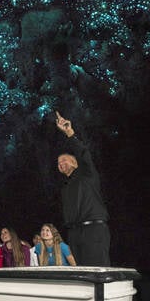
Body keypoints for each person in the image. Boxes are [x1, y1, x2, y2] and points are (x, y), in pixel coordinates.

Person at [54, 111, 111, 266]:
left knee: (96, 270)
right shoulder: (65, 187)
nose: (61, 164)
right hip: (74, 233)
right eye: (58, 163)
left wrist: (69, 133)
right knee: (81, 272)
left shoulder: (87, 173)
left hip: (93, 229)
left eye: (64, 160)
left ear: (75, 162)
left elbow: (83, 153)